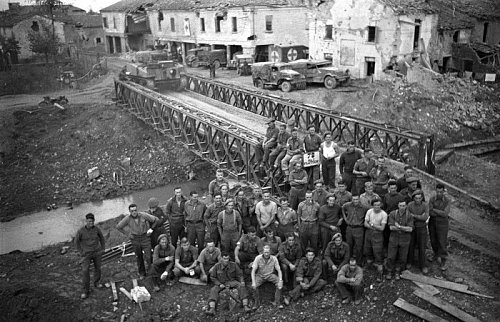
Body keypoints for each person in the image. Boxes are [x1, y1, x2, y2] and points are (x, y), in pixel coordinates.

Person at [116, 204, 158, 278]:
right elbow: (118, 227)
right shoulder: (127, 219)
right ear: (129, 211)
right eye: (132, 211)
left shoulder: (143, 215)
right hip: (135, 239)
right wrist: (128, 234)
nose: (134, 212)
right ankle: (142, 273)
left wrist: (151, 229)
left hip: (145, 238)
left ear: (137, 210)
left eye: (135, 210)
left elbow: (156, 220)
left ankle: (152, 274)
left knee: (149, 257)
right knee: (139, 257)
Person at [75, 213, 105, 299]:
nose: (90, 223)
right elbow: (76, 242)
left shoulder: (97, 229)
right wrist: (81, 251)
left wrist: (103, 248)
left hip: (97, 252)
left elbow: (102, 238)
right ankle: (85, 290)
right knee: (85, 271)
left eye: (92, 221)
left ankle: (96, 282)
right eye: (89, 221)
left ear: (94, 221)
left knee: (98, 268)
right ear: (86, 221)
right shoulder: (80, 231)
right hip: (86, 254)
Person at [385, 201, 413, 280]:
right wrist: (405, 228)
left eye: (403, 205)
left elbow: (410, 229)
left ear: (406, 206)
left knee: (402, 257)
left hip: (405, 238)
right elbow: (391, 227)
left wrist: (399, 227)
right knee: (391, 256)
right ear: (398, 205)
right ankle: (389, 271)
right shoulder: (393, 214)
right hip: (394, 237)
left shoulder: (409, 215)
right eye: (400, 205)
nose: (402, 207)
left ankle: (398, 271)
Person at [251, 245, 283, 309]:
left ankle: (277, 302)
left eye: (268, 252)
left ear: (270, 252)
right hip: (260, 276)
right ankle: (256, 303)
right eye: (265, 252)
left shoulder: (274, 258)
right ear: (263, 252)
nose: (266, 254)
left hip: (270, 275)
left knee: (279, 285)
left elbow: (279, 270)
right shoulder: (258, 258)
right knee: (254, 287)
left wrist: (280, 280)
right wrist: (253, 282)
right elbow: (253, 271)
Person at [363, 199, 387, 281]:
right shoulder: (369, 211)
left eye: (378, 205)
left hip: (378, 235)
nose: (377, 206)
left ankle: (380, 271)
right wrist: (373, 227)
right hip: (368, 233)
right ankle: (369, 266)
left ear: (381, 205)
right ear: (372, 205)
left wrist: (372, 224)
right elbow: (365, 223)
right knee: (367, 249)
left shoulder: (383, 214)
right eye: (375, 205)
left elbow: (382, 228)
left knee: (378, 251)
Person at [428, 184, 451, 271]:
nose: (439, 193)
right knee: (433, 240)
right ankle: (435, 254)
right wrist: (438, 212)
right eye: (437, 192)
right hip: (433, 222)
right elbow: (430, 212)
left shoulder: (447, 200)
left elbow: (445, 213)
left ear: (443, 191)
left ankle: (443, 260)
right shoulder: (432, 199)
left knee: (442, 241)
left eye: (441, 192)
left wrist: (435, 210)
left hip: (443, 223)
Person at [407, 190, 430, 274]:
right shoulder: (410, 205)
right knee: (411, 245)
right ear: (413, 198)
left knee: (422, 246)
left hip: (422, 228)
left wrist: (415, 216)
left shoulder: (425, 205)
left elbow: (425, 217)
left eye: (419, 198)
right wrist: (419, 216)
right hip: (412, 227)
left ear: (422, 198)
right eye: (416, 198)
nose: (418, 200)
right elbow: (408, 216)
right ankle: (409, 262)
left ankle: (423, 265)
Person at [342, 195, 368, 260]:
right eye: (354, 199)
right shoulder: (347, 205)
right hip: (349, 228)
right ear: (351, 199)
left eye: (357, 199)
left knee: (359, 246)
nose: (355, 201)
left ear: (359, 199)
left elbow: (368, 214)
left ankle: (359, 261)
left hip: (359, 228)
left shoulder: (364, 207)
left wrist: (364, 221)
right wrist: (345, 219)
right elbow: (342, 208)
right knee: (348, 245)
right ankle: (349, 260)